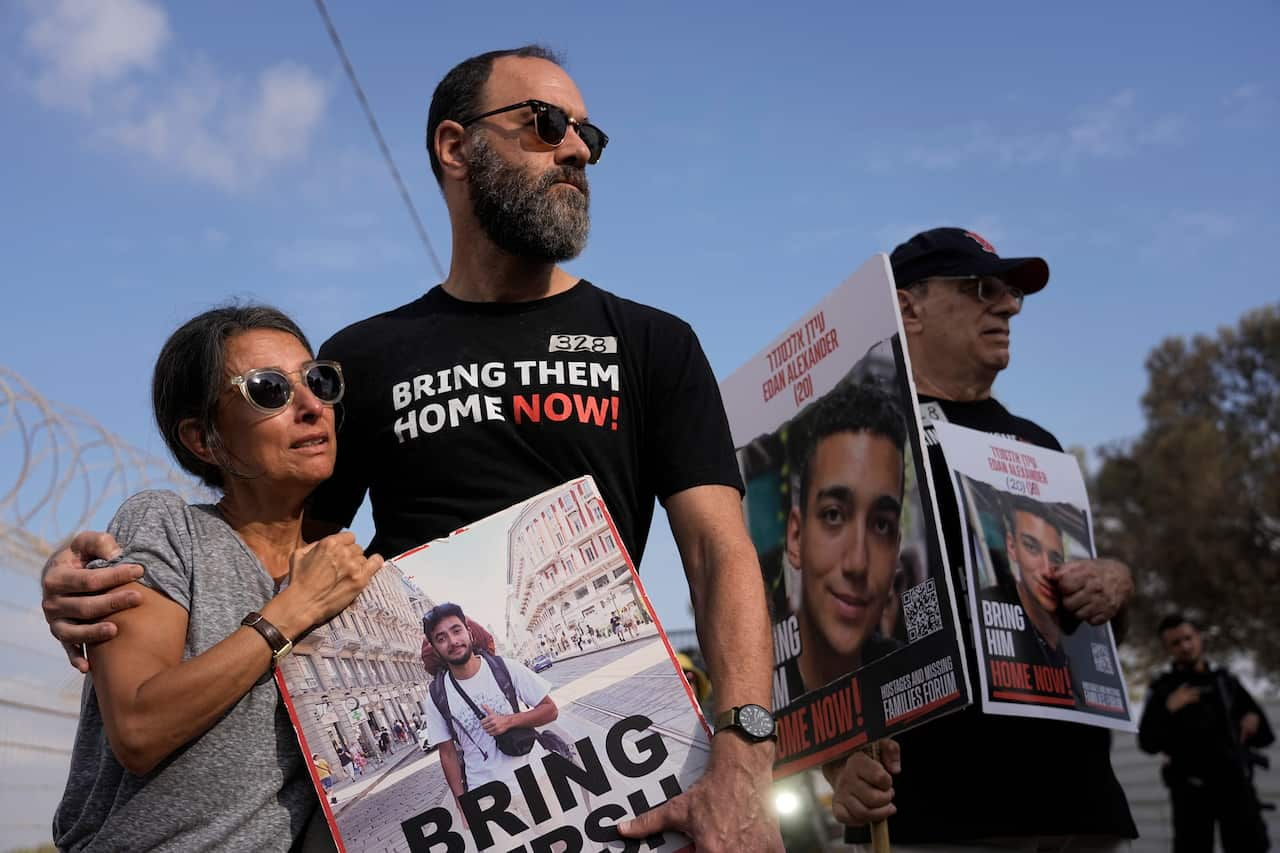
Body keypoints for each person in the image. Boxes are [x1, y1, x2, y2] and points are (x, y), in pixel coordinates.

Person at [41, 45, 780, 851]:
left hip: (604, 802)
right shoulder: (360, 360)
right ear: (455, 147)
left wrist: (744, 751)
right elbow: (272, 539)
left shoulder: (652, 343)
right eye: (546, 124)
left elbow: (717, 553)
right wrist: (102, 584)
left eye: (587, 137)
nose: (576, 148)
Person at [830, 228, 1138, 848]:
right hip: (934, 813)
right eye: (981, 288)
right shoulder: (852, 441)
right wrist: (835, 767)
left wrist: (1113, 585)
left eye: (1013, 292)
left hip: (1076, 806)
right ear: (908, 307)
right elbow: (802, 621)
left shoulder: (1039, 445)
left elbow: (1089, 629)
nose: (1009, 306)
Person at [51, 305, 383, 851]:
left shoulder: (344, 581)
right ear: (203, 439)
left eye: (318, 381)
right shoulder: (167, 527)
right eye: (269, 390)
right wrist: (291, 611)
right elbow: (138, 728)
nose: (310, 408)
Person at [784, 380, 906, 696]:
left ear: (896, 550)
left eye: (881, 525)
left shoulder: (911, 679)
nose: (857, 563)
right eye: (834, 515)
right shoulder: (747, 694)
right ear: (796, 537)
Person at [1139, 614, 1274, 852]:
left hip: (1235, 786)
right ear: (1167, 648)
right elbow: (1147, 742)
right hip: (1191, 792)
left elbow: (1265, 735)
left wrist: (1254, 720)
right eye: (1176, 643)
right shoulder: (1163, 689)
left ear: (1199, 637)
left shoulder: (1225, 682)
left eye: (1188, 638)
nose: (1185, 646)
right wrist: (1169, 709)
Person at [422, 602, 559, 809]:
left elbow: (550, 710)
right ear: (435, 648)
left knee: (559, 842)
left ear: (469, 633)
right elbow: (447, 753)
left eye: (456, 631)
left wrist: (509, 721)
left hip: (534, 776)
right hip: (486, 795)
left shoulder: (505, 668)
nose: (452, 641)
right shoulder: (436, 695)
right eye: (441, 638)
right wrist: (463, 806)